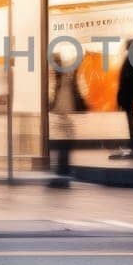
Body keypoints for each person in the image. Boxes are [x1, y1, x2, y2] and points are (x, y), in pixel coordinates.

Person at [49, 52, 81, 185]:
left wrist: (55, 107)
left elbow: (61, 97)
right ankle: (63, 173)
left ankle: (62, 174)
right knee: (62, 145)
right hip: (63, 114)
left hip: (63, 114)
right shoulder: (63, 76)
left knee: (62, 145)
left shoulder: (61, 77)